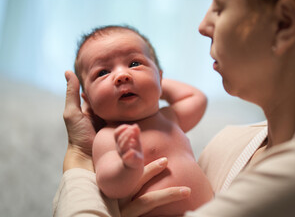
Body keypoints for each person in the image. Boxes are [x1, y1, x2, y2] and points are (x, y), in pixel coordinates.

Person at [53, 0, 295, 216]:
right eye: (102, 73)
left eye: (219, 5)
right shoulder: (228, 144)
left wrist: (78, 158)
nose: (202, 26)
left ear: (284, 24)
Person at [65, 25, 213, 216]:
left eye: (134, 63)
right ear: (88, 100)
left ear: (160, 78)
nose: (121, 76)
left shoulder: (169, 118)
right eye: (102, 72)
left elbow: (197, 98)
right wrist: (127, 165)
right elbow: (111, 186)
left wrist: (154, 83)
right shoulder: (109, 137)